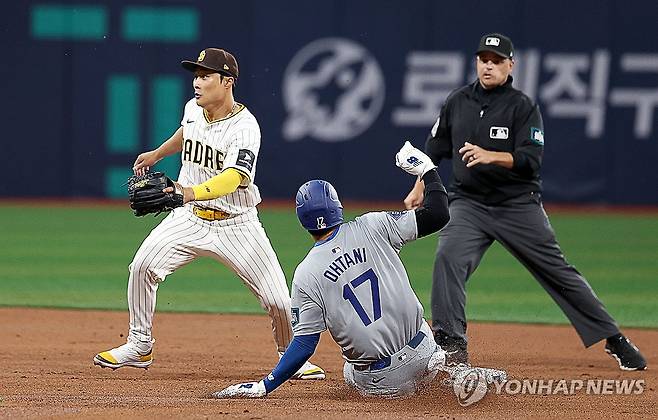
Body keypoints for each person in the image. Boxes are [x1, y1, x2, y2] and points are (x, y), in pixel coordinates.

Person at [404, 33, 647, 371]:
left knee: (557, 271)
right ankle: (450, 346)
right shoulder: (457, 101)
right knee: (448, 257)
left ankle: (613, 338)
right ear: (476, 62)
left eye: (497, 60)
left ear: (510, 65)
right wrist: (420, 186)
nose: (488, 66)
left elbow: (531, 159)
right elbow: (434, 150)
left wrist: (492, 156)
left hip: (517, 204)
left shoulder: (522, 106)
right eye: (483, 59)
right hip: (468, 204)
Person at [93, 47, 324, 380]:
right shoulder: (193, 108)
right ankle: (140, 345)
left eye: (205, 76)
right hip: (190, 218)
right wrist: (157, 154)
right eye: (196, 76)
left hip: (236, 224)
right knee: (142, 266)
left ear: (227, 82)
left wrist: (188, 192)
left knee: (278, 302)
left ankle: (294, 358)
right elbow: (187, 131)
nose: (196, 83)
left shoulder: (245, 128)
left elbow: (234, 178)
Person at [210, 142, 507, 399]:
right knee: (422, 351)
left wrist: (266, 385)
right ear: (338, 207)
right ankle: (445, 372)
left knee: (349, 370)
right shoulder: (373, 225)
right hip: (422, 349)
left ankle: (429, 377)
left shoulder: (305, 273)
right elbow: (439, 213)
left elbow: (304, 344)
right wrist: (427, 169)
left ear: (302, 220)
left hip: (380, 379)